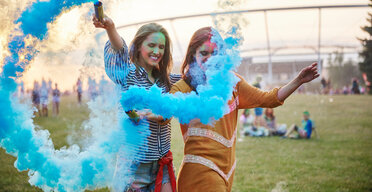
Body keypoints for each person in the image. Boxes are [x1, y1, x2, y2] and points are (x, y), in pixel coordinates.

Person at [170, 27, 319, 192]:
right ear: (193, 56)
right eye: (204, 53)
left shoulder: (233, 83)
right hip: (199, 171)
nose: (210, 59)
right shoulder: (184, 87)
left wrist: (298, 81)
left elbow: (267, 99)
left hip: (227, 170)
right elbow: (164, 108)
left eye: (215, 53)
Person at [93, 15, 180, 192]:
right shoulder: (126, 74)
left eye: (161, 47)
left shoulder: (166, 80)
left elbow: (191, 84)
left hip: (162, 164)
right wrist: (111, 28)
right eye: (152, 45)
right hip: (133, 168)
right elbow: (119, 50)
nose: (157, 51)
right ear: (139, 46)